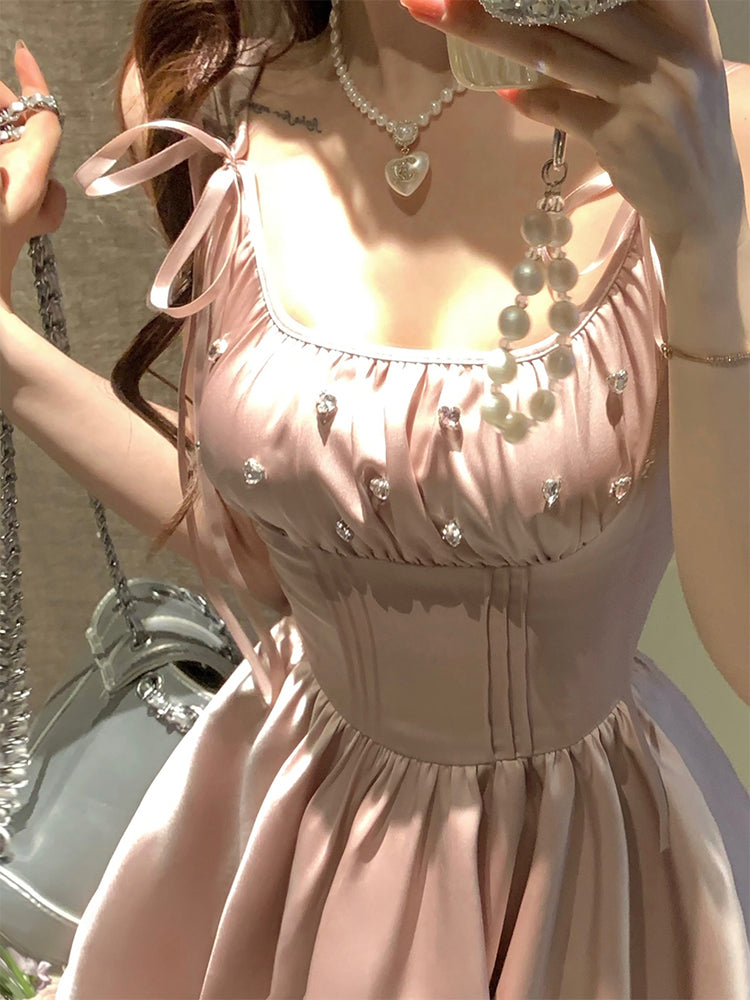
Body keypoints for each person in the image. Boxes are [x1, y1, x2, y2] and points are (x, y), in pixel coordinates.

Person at [1, 1, 750, 996]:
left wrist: (704, 238)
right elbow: (262, 548)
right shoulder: (215, 97)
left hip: (584, 861)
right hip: (295, 828)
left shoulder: (716, 125)